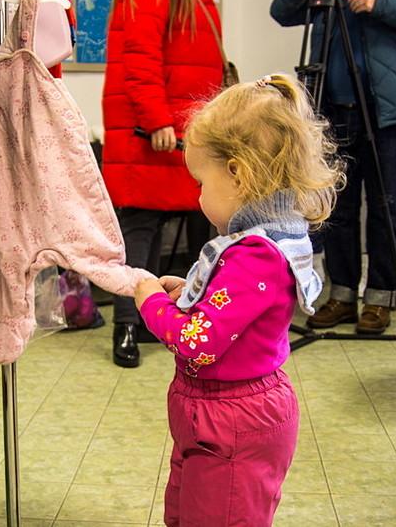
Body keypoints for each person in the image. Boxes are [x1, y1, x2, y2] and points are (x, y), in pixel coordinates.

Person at [133, 74, 340, 526]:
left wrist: (151, 303)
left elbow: (197, 342)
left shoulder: (255, 256)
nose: (199, 196)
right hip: (216, 413)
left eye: (201, 183)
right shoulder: (265, 242)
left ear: (237, 175)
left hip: (232, 421)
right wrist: (188, 291)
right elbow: (232, 306)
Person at [270, 0, 396, 334]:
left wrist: (379, 3)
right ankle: (342, 296)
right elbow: (282, 11)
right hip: (331, 107)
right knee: (336, 207)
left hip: (386, 112)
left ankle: (380, 298)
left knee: (384, 205)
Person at [103, 0, 225, 367]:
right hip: (155, 128)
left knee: (150, 224)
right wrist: (156, 118)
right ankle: (126, 324)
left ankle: (142, 319)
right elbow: (140, 55)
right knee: (140, 224)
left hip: (176, 122)